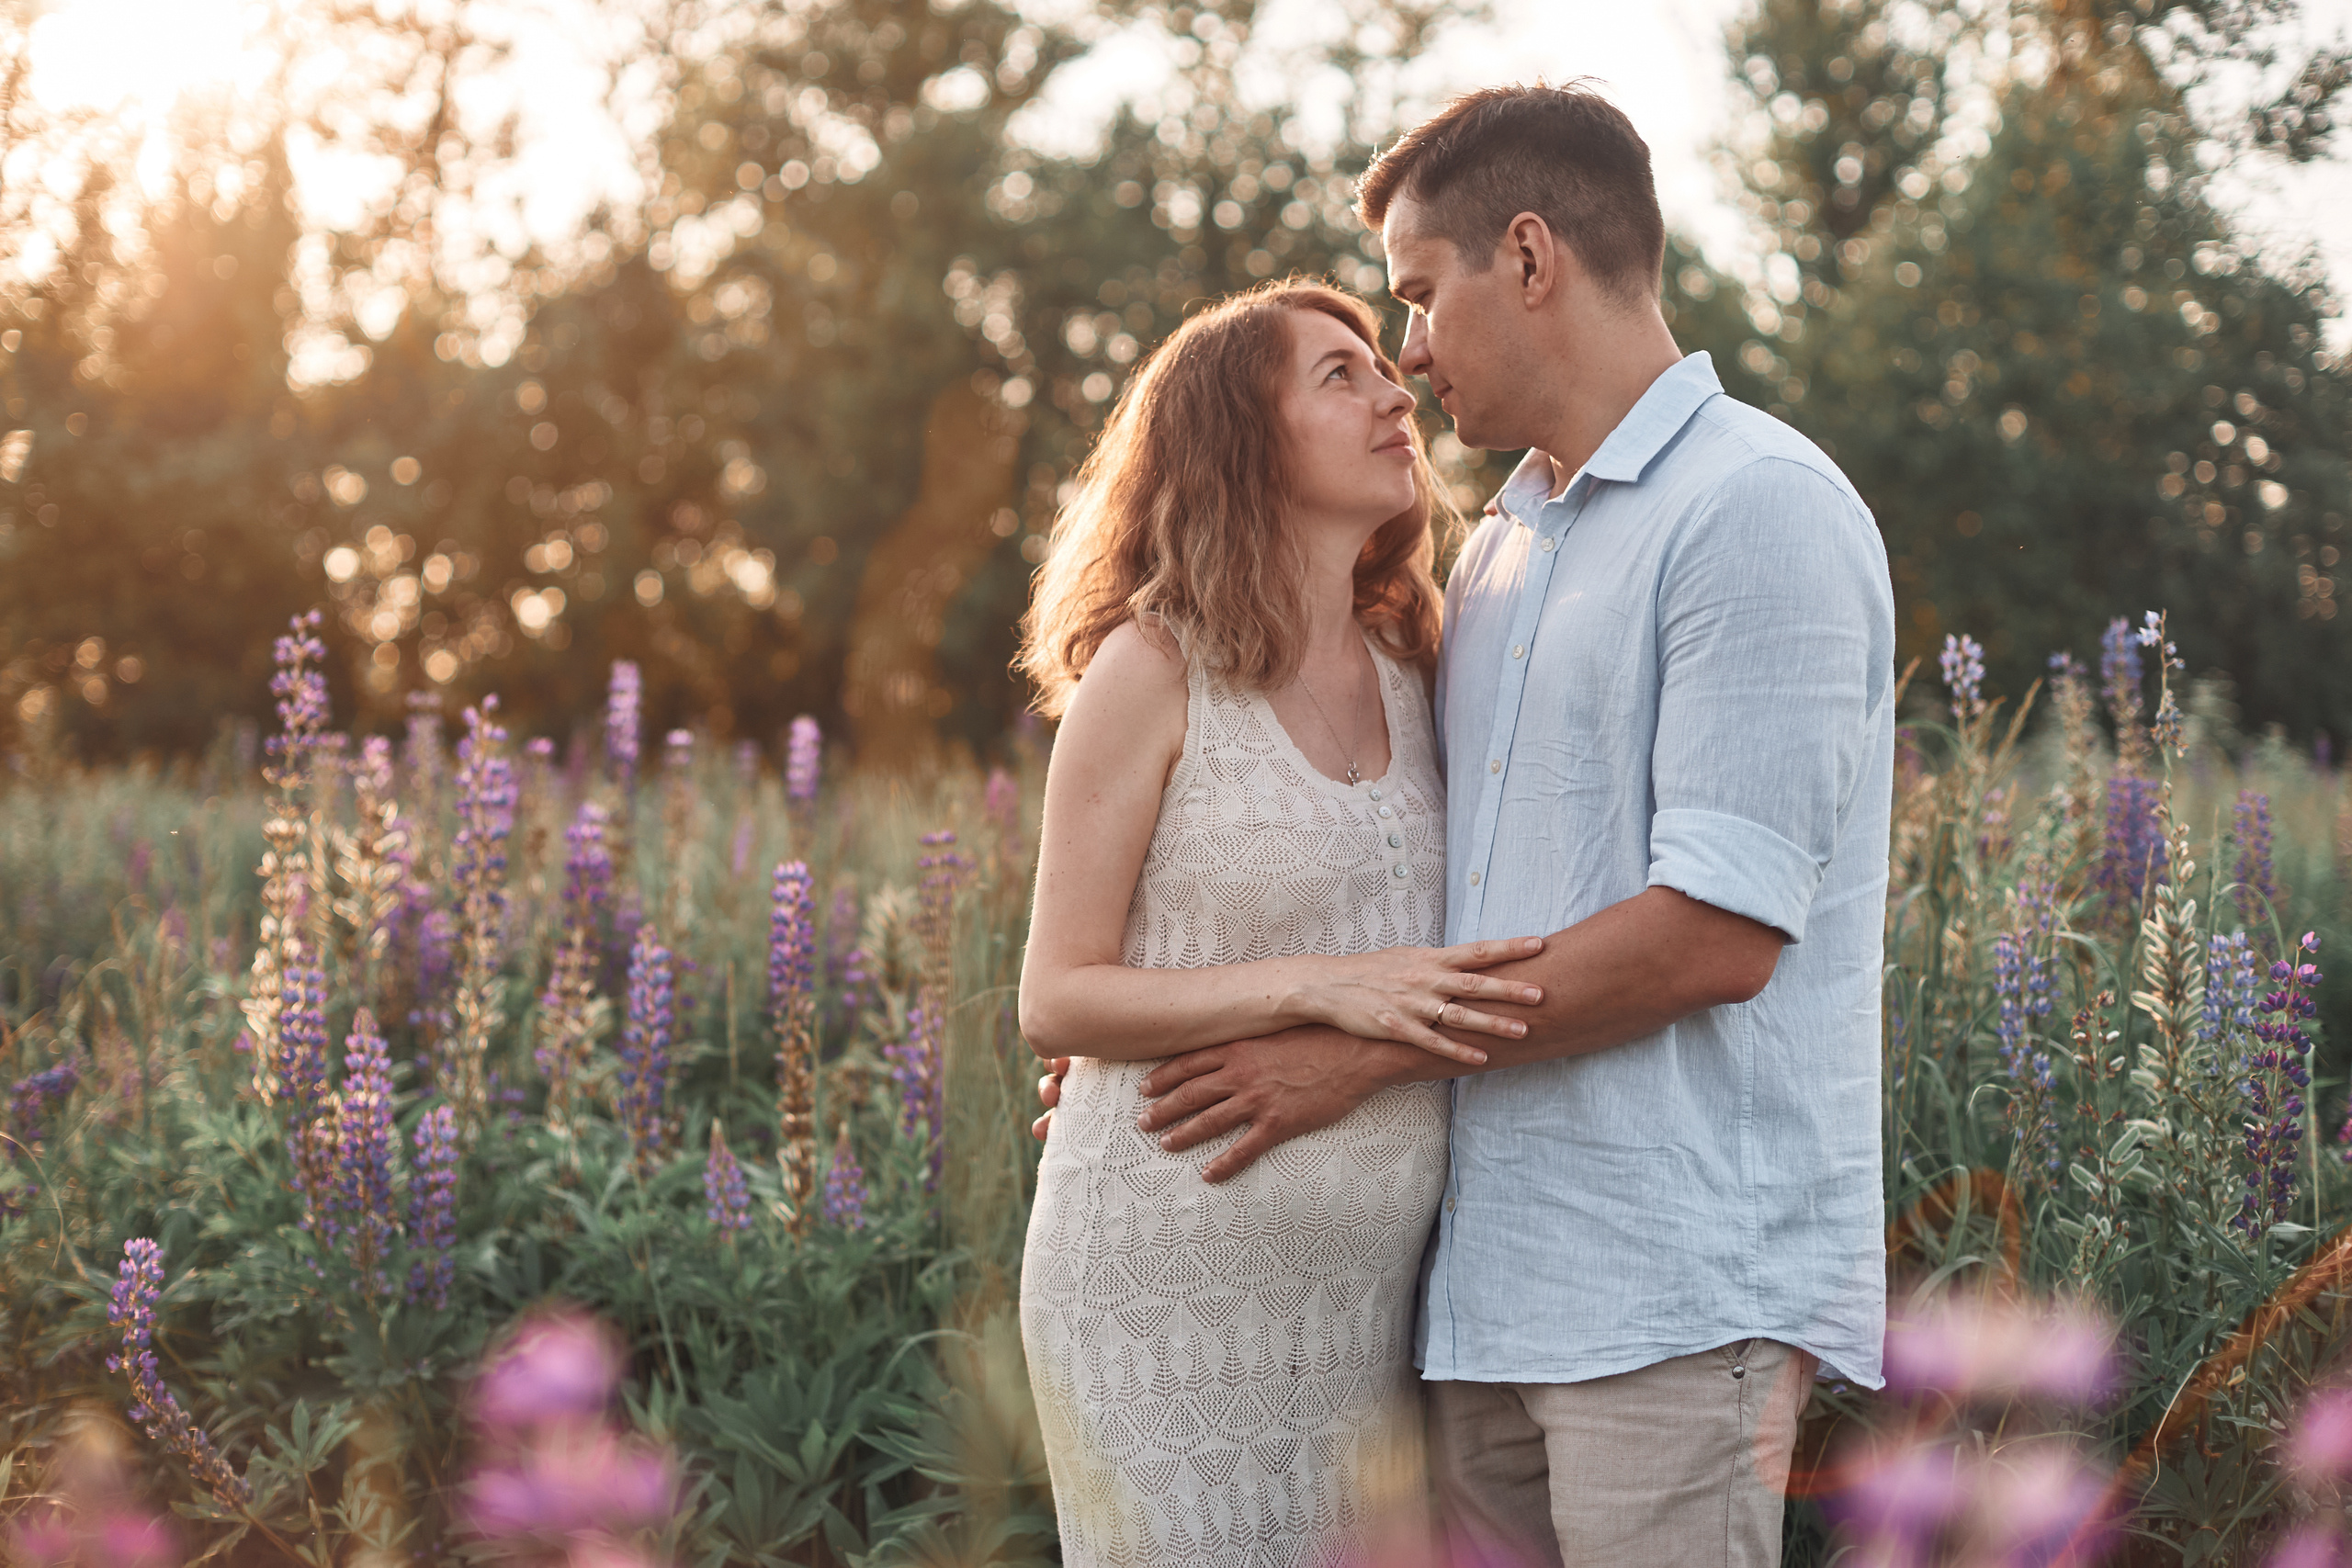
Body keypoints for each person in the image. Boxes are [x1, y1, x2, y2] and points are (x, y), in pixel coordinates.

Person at [1042, 85, 1895, 1566]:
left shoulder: (1754, 508)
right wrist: (1143, 1060)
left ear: (1530, 256)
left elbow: (1716, 934)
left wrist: (1341, 1057)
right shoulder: (1497, 558)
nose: (1410, 353)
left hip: (1670, 1292)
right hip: (1468, 1304)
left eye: (1419, 299)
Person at [1012, 279, 1552, 1567]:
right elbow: (1058, 995)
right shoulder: (1149, 671)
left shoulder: (1423, 665)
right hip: (1162, 1272)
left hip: (1370, 1301)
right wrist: (1322, 985)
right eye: (1340, 374)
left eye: (1385, 366)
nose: (1394, 391)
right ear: (1242, 441)